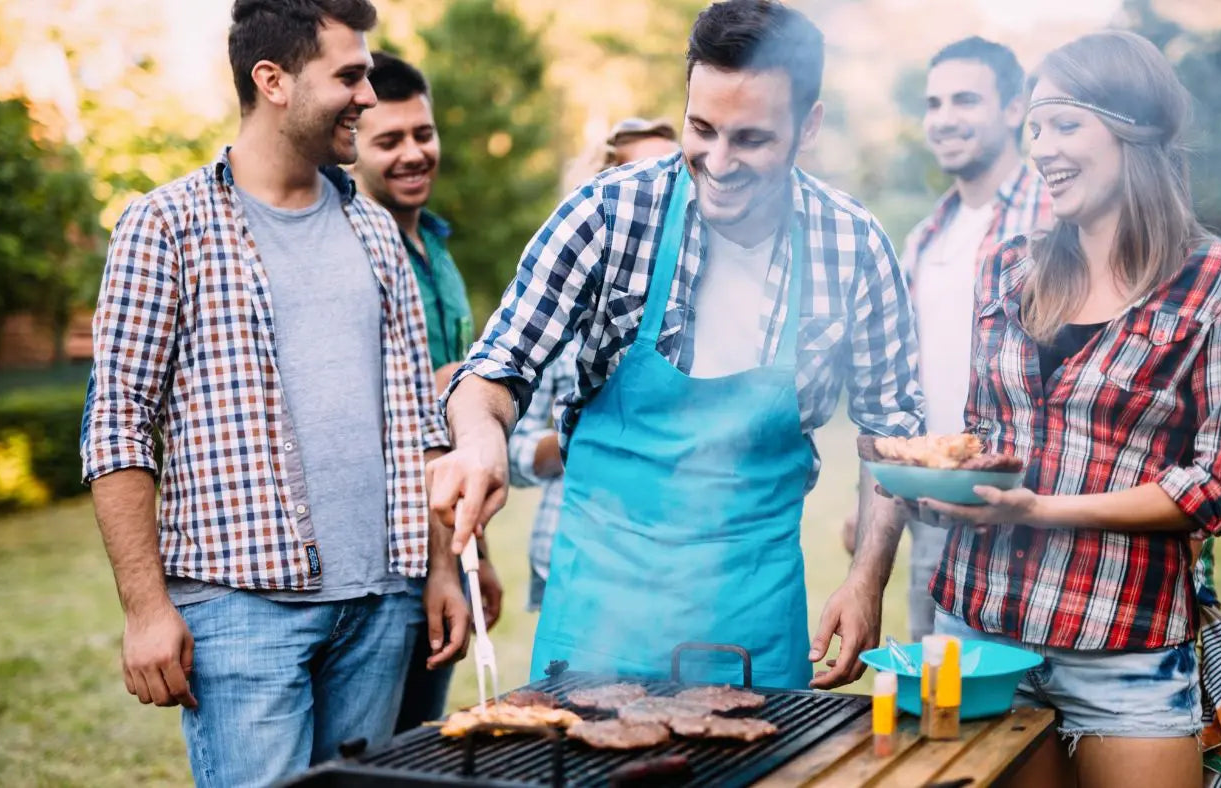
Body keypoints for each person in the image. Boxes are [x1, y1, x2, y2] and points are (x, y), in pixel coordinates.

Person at [430, 0, 924, 691]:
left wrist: (867, 581)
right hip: (599, 608)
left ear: (808, 125)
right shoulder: (606, 213)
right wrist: (480, 441)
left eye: (750, 139)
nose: (717, 162)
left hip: (751, 616)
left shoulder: (855, 246)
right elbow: (494, 371)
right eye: (701, 129)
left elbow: (891, 434)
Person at [79, 2, 471, 785]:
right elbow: (117, 423)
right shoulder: (165, 226)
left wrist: (438, 570)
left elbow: (416, 421)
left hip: (382, 605)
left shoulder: (374, 230)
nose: (366, 95)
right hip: (240, 612)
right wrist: (147, 608)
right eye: (349, 76)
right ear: (274, 81)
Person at [908, 31, 1221, 788]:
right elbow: (990, 436)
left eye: (1064, 124)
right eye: (1035, 127)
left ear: (1132, 128)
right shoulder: (1009, 266)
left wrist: (1043, 509)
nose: (1042, 147)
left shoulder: (1215, 280)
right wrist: (944, 480)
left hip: (1121, 640)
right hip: (975, 628)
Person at [840, 37, 1051, 644]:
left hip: (1027, 505)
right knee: (945, 700)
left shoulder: (1055, 213)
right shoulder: (928, 236)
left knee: (1031, 707)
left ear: (1014, 109)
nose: (944, 119)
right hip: (931, 509)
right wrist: (878, 500)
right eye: (934, 104)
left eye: (965, 99)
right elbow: (903, 385)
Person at [353, 49, 503, 733]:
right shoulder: (348, 250)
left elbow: (461, 427)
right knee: (365, 757)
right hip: (379, 561)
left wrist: (478, 561)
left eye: (423, 133)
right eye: (389, 141)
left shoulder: (439, 254)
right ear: (351, 141)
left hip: (446, 549)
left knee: (422, 746)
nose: (414, 154)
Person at [510, 117, 680, 614]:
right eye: (642, 177)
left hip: (671, 567)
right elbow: (509, 450)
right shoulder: (558, 314)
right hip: (569, 559)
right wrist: (581, 439)